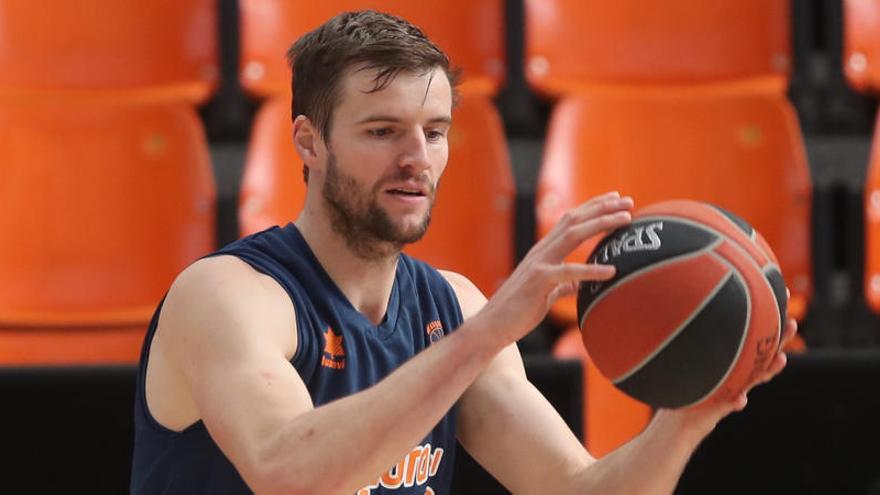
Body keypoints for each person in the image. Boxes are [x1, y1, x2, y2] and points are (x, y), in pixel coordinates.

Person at [130, 10, 797, 494]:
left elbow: (575, 491)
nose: (417, 158)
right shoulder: (227, 294)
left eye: (436, 131)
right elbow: (288, 475)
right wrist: (485, 334)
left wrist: (684, 419)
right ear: (308, 142)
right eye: (383, 130)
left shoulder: (451, 308)